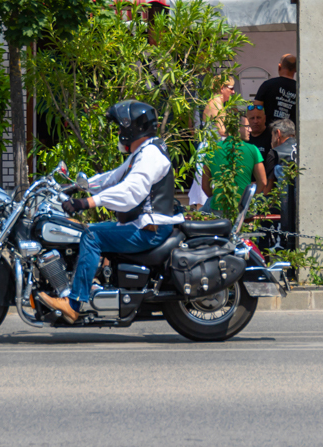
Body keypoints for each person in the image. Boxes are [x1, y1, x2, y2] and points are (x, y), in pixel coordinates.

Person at [36, 101, 183, 324]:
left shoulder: (151, 155)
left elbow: (129, 191)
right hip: (143, 226)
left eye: (121, 127)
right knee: (86, 230)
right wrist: (78, 187)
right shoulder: (144, 151)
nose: (119, 132)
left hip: (150, 230)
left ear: (133, 128)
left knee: (92, 236)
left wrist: (87, 202)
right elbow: (113, 177)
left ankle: (73, 304)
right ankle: (91, 283)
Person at [200, 127, 268, 215]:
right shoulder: (253, 149)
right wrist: (249, 199)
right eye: (247, 126)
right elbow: (263, 182)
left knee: (200, 212)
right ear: (237, 127)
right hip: (245, 210)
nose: (250, 130)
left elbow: (205, 186)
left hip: (219, 208)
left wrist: (217, 198)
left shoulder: (212, 150)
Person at [267, 118, 297, 249]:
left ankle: (267, 243)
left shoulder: (275, 152)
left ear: (278, 133)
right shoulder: (307, 149)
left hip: (285, 208)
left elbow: (267, 189)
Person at [254, 54, 298, 124]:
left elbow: (256, 109)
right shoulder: (299, 89)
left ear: (279, 67)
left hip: (269, 129)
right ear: (296, 69)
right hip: (291, 130)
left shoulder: (267, 84)